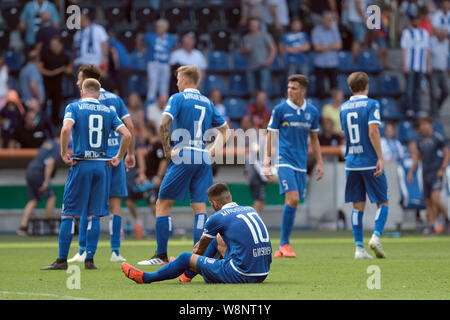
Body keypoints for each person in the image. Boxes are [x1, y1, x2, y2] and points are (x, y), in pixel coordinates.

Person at [136, 65, 230, 266]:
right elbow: (226, 131)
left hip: (183, 154)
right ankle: (199, 258)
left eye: (178, 79)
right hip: (202, 156)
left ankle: (161, 255)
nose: (177, 82)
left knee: (162, 205)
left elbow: (163, 124)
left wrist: (168, 151)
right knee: (200, 208)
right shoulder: (207, 102)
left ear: (186, 80)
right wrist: (209, 152)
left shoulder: (177, 98)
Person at [41, 78, 131, 270]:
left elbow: (66, 128)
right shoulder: (109, 111)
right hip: (101, 166)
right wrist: (118, 156)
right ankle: (90, 260)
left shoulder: (73, 107)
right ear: (99, 94)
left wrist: (64, 152)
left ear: (82, 92)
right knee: (94, 215)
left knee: (68, 214)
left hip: (81, 164)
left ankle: (61, 260)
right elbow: (128, 134)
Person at [122, 183, 272, 284]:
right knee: (217, 239)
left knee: (184, 258)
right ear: (229, 197)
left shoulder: (217, 217)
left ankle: (145, 278)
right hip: (262, 271)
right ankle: (186, 275)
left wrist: (186, 261)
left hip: (241, 273)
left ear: (214, 203)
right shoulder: (250, 209)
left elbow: (199, 251)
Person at [67, 65, 136, 264]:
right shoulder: (115, 99)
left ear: (86, 80)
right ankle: (115, 251)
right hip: (115, 157)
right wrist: (129, 153)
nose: (77, 82)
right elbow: (129, 126)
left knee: (87, 205)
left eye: (79, 78)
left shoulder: (82, 101)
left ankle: (83, 251)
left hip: (94, 158)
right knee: (116, 205)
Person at [263, 74, 324, 258]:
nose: (290, 91)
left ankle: (282, 247)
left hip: (301, 164)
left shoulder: (312, 112)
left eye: (294, 88)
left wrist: (320, 162)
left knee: (293, 202)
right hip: (284, 160)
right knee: (294, 198)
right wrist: (267, 160)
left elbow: (314, 139)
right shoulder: (280, 110)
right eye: (289, 87)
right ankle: (284, 244)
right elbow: (271, 134)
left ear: (303, 91)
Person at [339, 72, 389, 260]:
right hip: (369, 161)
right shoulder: (372, 104)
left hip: (351, 162)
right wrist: (380, 157)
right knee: (382, 202)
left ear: (350, 88)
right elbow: (372, 131)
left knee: (357, 206)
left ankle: (359, 249)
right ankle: (375, 237)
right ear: (367, 86)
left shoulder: (343, 107)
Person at [407, 117, 449, 235]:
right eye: (421, 126)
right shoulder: (420, 141)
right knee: (428, 202)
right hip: (425, 174)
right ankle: (432, 226)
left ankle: (447, 219)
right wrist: (411, 171)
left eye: (424, 125)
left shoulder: (438, 138)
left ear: (429, 125)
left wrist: (442, 168)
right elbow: (417, 158)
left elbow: (447, 153)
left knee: (435, 198)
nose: (423, 128)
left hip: (437, 173)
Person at [126, 123, 168, 237]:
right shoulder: (149, 146)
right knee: (133, 200)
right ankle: (144, 225)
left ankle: (165, 229)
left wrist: (159, 177)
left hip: (154, 179)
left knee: (155, 206)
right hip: (147, 180)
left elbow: (164, 161)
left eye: (144, 131)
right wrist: (142, 171)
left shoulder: (158, 145)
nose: (142, 134)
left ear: (149, 132)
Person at [17, 136, 60, 235]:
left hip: (30, 170)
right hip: (38, 173)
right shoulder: (57, 146)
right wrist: (46, 181)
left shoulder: (48, 142)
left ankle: (22, 227)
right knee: (51, 197)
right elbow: (50, 163)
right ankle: (50, 225)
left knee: (33, 200)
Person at [400, 12, 431, 118]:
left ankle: (417, 109)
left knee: (418, 89)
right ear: (411, 21)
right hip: (410, 65)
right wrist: (405, 65)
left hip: (421, 66)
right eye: (414, 19)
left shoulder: (425, 33)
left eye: (418, 19)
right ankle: (409, 109)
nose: (416, 21)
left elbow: (426, 50)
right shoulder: (407, 33)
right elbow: (404, 49)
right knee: (409, 88)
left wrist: (428, 65)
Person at [38, 35, 72, 127]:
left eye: (55, 45)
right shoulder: (45, 54)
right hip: (46, 84)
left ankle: (55, 122)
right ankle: (41, 122)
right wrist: (53, 72)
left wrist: (66, 69)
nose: (53, 47)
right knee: (43, 104)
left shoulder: (65, 56)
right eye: (52, 45)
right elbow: (40, 68)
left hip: (58, 85)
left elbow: (69, 69)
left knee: (56, 104)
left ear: (61, 45)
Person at [241, 18, 277, 96]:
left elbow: (273, 49)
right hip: (251, 66)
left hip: (263, 65)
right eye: (251, 25)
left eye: (255, 24)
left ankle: (265, 107)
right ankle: (253, 107)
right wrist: (245, 50)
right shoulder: (246, 37)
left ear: (258, 25)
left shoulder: (265, 35)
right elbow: (241, 52)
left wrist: (269, 61)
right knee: (251, 90)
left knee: (264, 89)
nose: (253, 26)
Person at [143, 19, 176, 101]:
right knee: (153, 83)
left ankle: (164, 103)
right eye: (157, 27)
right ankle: (150, 104)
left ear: (165, 28)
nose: (158, 28)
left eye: (161, 27)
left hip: (165, 63)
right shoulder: (150, 36)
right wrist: (142, 50)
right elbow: (139, 39)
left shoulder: (170, 38)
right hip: (153, 63)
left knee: (164, 85)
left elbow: (174, 47)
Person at [311, 11, 342, 99]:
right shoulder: (316, 31)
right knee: (319, 89)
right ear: (323, 20)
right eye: (328, 20)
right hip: (320, 63)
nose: (330, 22)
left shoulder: (334, 30)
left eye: (332, 20)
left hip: (333, 63)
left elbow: (339, 45)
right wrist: (331, 45)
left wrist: (324, 46)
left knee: (334, 87)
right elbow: (317, 48)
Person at [429, 28, 449, 117]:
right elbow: (428, 55)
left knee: (446, 91)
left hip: (443, 71)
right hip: (434, 70)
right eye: (443, 36)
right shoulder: (432, 42)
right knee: (434, 92)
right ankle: (434, 113)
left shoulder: (446, 43)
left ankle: (437, 107)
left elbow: (447, 57)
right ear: (439, 35)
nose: (445, 37)